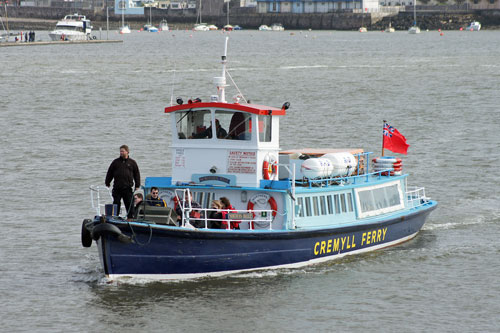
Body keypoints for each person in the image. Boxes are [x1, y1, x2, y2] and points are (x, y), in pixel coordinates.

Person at [105, 145, 141, 219]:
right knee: (116, 203)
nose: (121, 152)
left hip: (127, 187)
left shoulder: (132, 162)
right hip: (117, 187)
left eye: (122, 151)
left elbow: (136, 174)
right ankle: (115, 217)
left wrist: (137, 185)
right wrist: (107, 182)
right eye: (120, 151)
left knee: (129, 204)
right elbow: (110, 172)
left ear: (127, 152)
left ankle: (130, 218)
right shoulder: (115, 162)